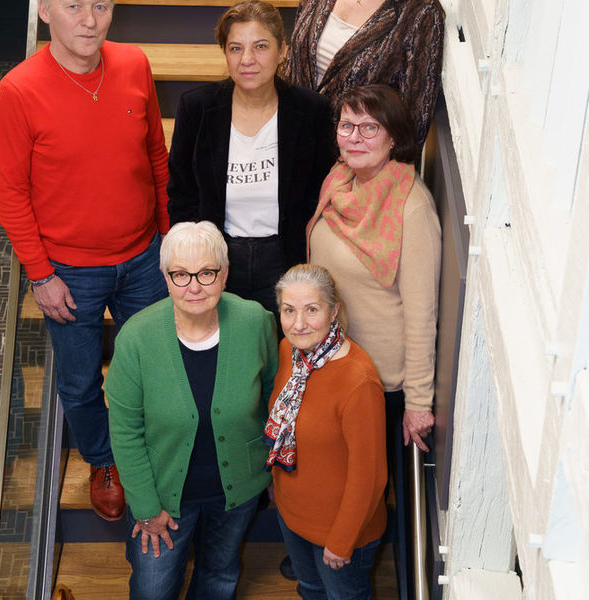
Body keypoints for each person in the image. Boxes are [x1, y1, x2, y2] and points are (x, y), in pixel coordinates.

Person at [0, 0, 169, 521]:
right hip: (68, 272)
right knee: (80, 381)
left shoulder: (134, 63)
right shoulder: (18, 90)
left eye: (101, 5)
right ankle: (104, 461)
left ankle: (148, 451)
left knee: (154, 367)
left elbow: (156, 156)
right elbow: (9, 194)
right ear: (45, 11)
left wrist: (167, 237)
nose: (90, 20)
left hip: (144, 256)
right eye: (74, 5)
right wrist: (40, 275)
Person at [105, 221, 278, 600]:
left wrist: (275, 468)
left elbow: (274, 400)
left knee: (218, 577)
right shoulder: (136, 337)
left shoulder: (256, 322)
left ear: (225, 274)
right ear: (165, 277)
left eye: (206, 272)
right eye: (181, 274)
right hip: (161, 498)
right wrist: (146, 508)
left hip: (237, 493)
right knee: (152, 590)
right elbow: (124, 430)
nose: (194, 286)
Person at [167, 0, 337, 316]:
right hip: (216, 258)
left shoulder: (311, 111)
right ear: (225, 52)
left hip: (285, 257)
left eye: (260, 46)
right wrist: (195, 261)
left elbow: (323, 192)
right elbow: (182, 194)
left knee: (282, 343)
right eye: (236, 48)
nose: (247, 59)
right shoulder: (197, 108)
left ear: (282, 50)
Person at [307, 84, 441, 450]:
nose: (355, 137)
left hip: (378, 382)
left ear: (393, 137)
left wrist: (418, 402)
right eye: (346, 126)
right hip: (330, 362)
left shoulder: (411, 208)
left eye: (369, 127)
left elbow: (422, 314)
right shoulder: (339, 180)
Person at [264, 264, 386, 600]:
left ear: (333, 312)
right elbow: (285, 427)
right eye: (289, 310)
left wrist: (342, 541)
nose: (299, 323)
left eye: (312, 310)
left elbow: (370, 476)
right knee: (310, 590)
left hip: (339, 532)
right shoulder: (289, 350)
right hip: (292, 515)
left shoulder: (358, 382)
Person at [282, 0, 445, 150]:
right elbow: (293, 65)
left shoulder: (422, 11)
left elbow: (413, 123)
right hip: (291, 145)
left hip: (353, 162)